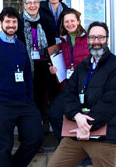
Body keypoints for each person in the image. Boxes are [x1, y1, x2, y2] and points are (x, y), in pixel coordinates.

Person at [47, 22, 116, 167]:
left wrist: (87, 125)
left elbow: (113, 101)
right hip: (76, 134)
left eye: (100, 37)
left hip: (104, 135)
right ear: (88, 40)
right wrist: (77, 116)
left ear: (107, 39)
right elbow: (69, 94)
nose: (96, 42)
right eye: (92, 38)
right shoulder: (83, 66)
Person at [0, 7, 44, 167]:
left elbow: (27, 73)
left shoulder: (20, 46)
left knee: (36, 138)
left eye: (14, 21)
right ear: (1, 23)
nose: (11, 25)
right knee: (3, 148)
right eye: (7, 21)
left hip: (24, 103)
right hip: (0, 104)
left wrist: (30, 97)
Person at [17, 0, 58, 132]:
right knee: (29, 100)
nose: (32, 5)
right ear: (24, 5)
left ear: (39, 4)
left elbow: (53, 44)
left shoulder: (46, 21)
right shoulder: (18, 22)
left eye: (35, 2)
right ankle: (30, 133)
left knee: (43, 99)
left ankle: (44, 129)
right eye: (29, 3)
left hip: (44, 66)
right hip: (26, 67)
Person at [47, 8, 89, 142]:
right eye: (66, 21)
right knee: (54, 114)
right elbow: (63, 64)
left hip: (87, 87)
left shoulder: (89, 39)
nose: (69, 24)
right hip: (68, 87)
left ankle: (85, 154)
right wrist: (55, 70)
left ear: (78, 21)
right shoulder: (62, 42)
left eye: (72, 20)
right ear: (63, 24)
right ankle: (68, 147)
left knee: (84, 118)